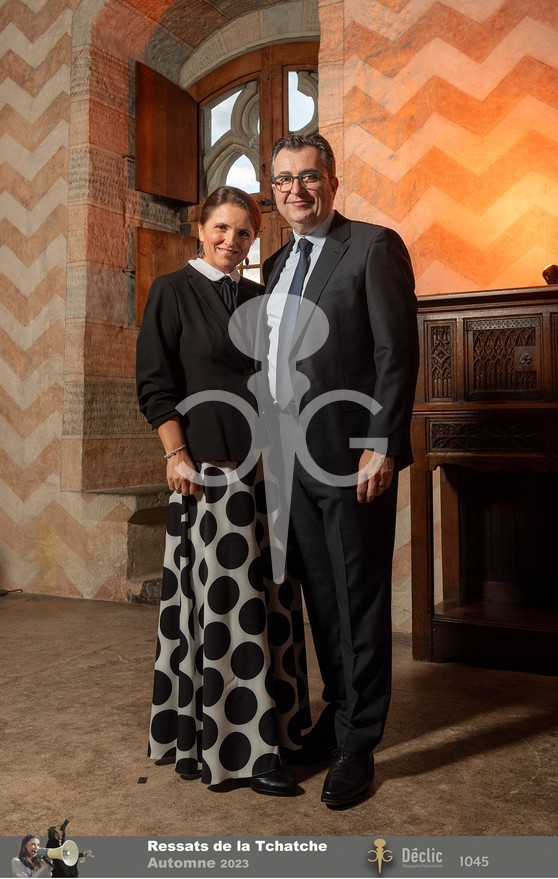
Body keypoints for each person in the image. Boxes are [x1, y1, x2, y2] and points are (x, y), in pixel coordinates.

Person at [263, 133, 420, 807]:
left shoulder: (372, 247)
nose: (296, 189)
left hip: (352, 456)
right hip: (288, 459)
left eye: (308, 176)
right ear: (273, 191)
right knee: (322, 596)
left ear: (332, 180)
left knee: (359, 596)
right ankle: (339, 712)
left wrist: (381, 443)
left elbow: (395, 353)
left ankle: (359, 743)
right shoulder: (276, 263)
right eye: (284, 180)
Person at [136, 185, 309, 797]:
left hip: (267, 471)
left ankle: (280, 733)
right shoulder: (171, 291)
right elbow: (154, 384)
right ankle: (243, 753)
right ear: (200, 228)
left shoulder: (260, 298)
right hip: (210, 470)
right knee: (229, 608)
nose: (231, 241)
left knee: (272, 602)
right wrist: (175, 454)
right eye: (222, 228)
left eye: (244, 232)